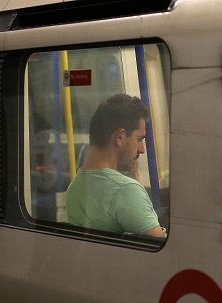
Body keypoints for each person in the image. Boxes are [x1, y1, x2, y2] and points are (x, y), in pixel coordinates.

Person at [66, 94, 165, 238]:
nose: (142, 149)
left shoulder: (74, 187)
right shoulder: (125, 190)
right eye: (139, 139)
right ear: (120, 136)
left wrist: (135, 175)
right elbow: (160, 245)